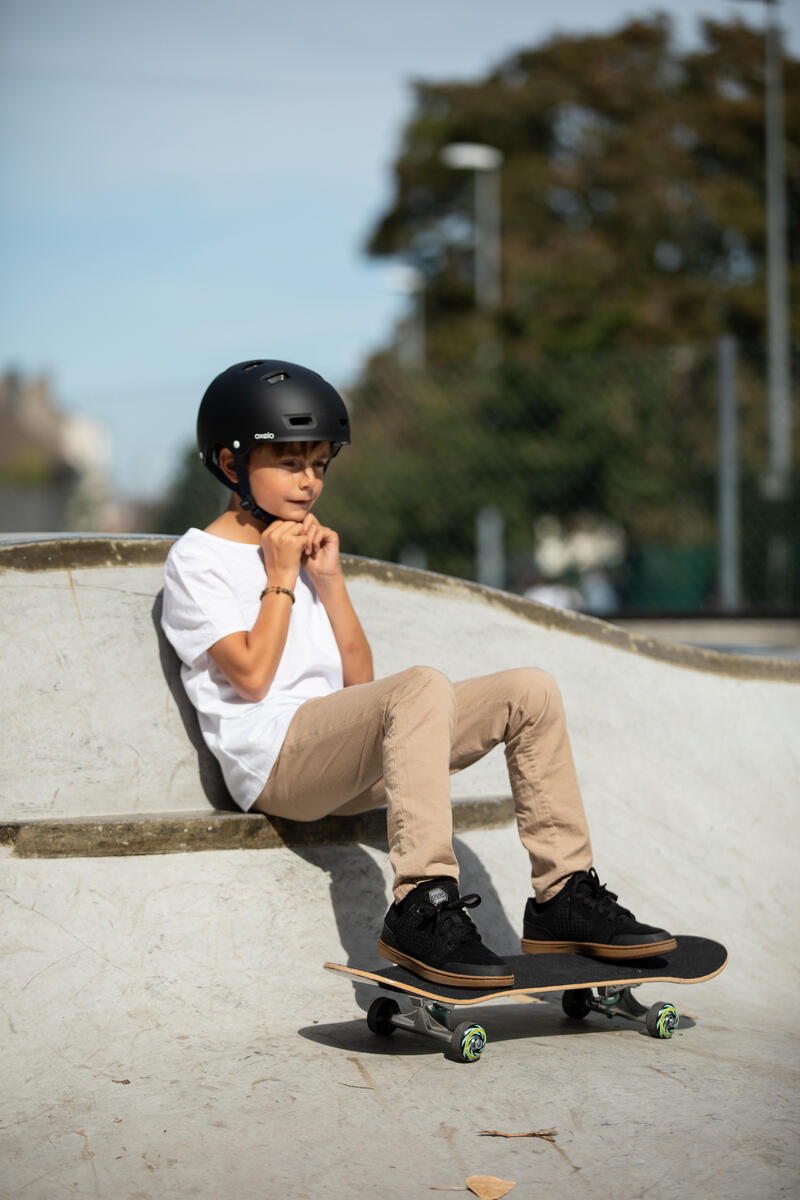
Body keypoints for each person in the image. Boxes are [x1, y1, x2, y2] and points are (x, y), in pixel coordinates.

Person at [161, 359, 676, 989]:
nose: (309, 483)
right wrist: (280, 577)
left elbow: (358, 685)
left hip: (340, 754)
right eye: (290, 462)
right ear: (230, 462)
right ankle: (422, 904)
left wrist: (328, 580)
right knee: (422, 683)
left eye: (319, 465)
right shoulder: (198, 559)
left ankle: (561, 895)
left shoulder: (303, 552)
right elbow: (250, 677)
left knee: (530, 691)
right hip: (276, 764)